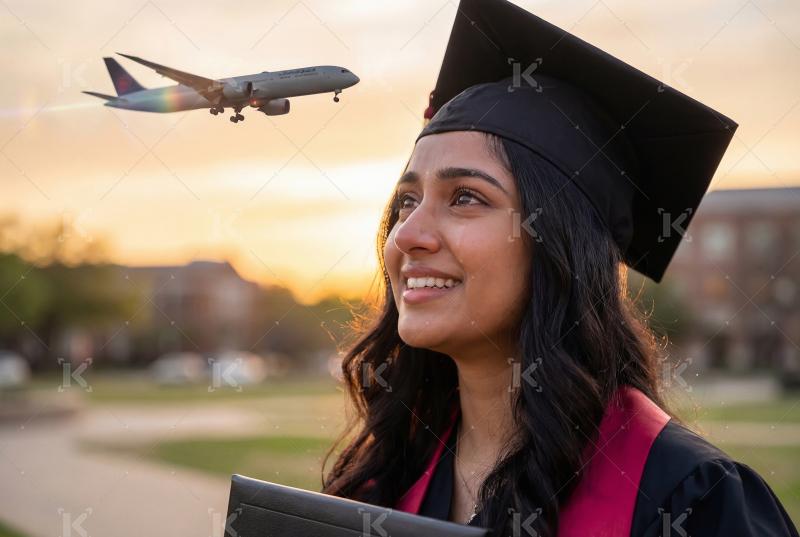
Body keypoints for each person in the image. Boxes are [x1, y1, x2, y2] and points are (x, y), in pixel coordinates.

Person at [321, 0, 799, 536]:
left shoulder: (691, 502)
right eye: (408, 201)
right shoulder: (380, 483)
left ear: (559, 242)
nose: (407, 235)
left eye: (465, 198)